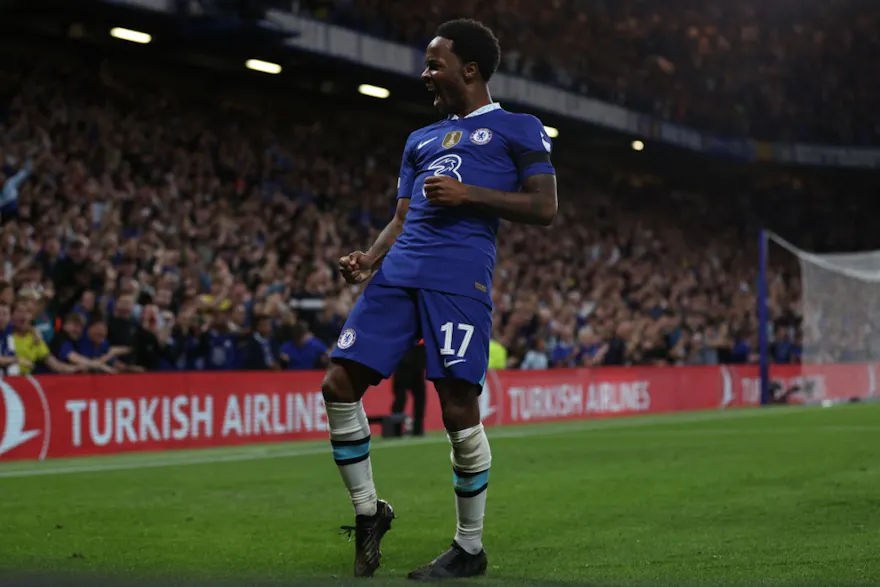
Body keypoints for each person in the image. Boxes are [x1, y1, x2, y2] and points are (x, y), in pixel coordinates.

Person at [321, 18, 557, 580]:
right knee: (337, 385)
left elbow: (545, 208)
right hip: (398, 274)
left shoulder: (519, 129)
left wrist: (468, 194)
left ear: (468, 70)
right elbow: (402, 216)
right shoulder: (420, 139)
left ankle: (469, 548)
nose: (426, 73)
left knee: (456, 409)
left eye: (435, 64)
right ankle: (368, 513)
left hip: (458, 279)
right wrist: (369, 259)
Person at [390, 340, 427, 436]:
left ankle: (398, 430)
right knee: (404, 397)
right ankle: (414, 429)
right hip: (407, 360)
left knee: (405, 397)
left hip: (407, 359)